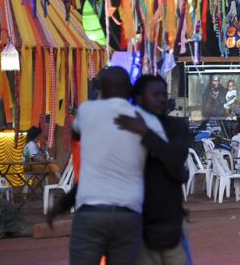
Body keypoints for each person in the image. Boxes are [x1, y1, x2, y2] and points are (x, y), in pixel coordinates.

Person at [69, 67, 167, 265]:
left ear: (100, 91)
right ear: (130, 91)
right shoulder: (147, 121)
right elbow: (165, 159)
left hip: (91, 210)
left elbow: (77, 135)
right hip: (128, 211)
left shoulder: (87, 111)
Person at [114, 75, 190, 265]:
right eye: (155, 94)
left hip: (170, 223)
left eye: (164, 94)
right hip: (139, 227)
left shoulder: (176, 126)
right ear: (139, 98)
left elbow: (176, 157)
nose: (162, 99)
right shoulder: (124, 128)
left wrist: (145, 133)